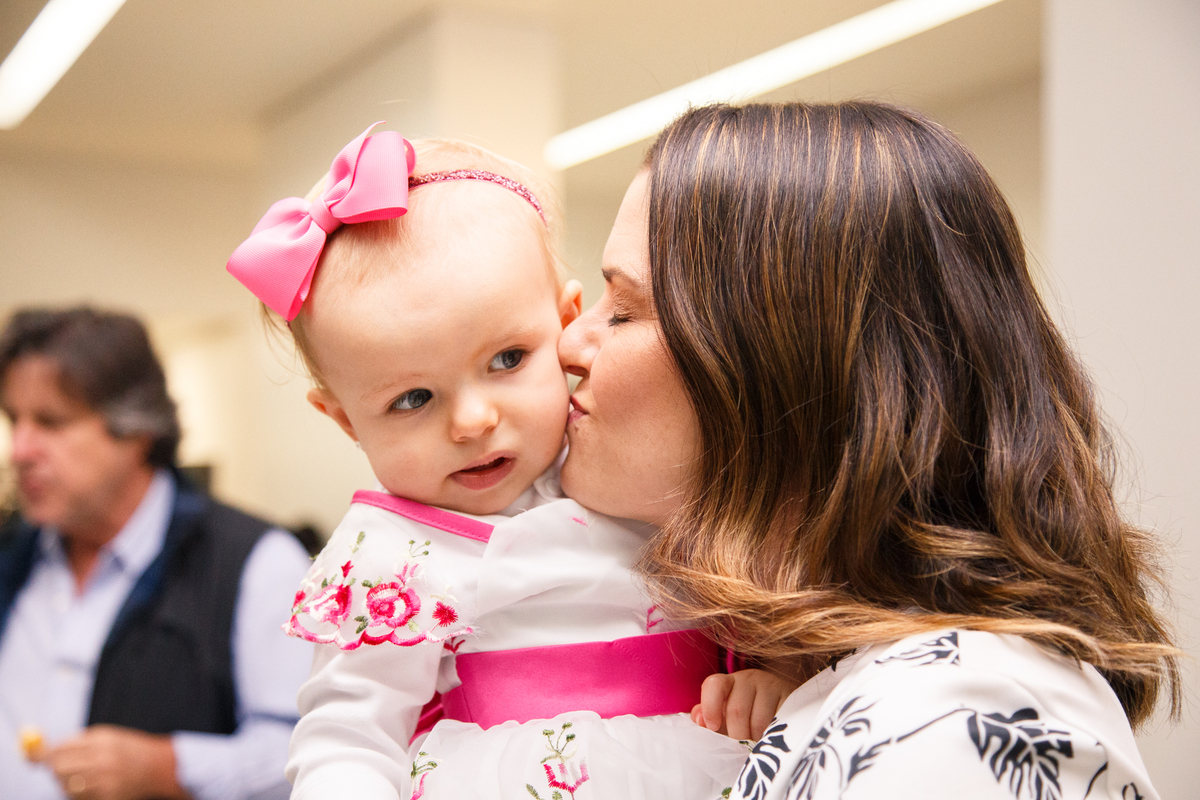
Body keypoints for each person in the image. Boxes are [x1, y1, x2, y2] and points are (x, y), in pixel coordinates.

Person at [558, 102, 1179, 800]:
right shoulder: (826, 687)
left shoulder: (954, 723)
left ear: (787, 366)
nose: (569, 345)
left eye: (624, 310)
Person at [226, 124, 765, 800]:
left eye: (508, 360)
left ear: (566, 326)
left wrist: (760, 676)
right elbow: (346, 735)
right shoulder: (389, 553)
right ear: (344, 421)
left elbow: (744, 592)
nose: (473, 421)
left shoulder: (631, 468)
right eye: (413, 398)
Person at [0, 307, 313, 800]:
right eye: (14, 420)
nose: (19, 449)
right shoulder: (14, 559)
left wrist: (170, 768)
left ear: (137, 429)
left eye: (51, 423)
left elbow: (310, 752)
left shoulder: (256, 563)